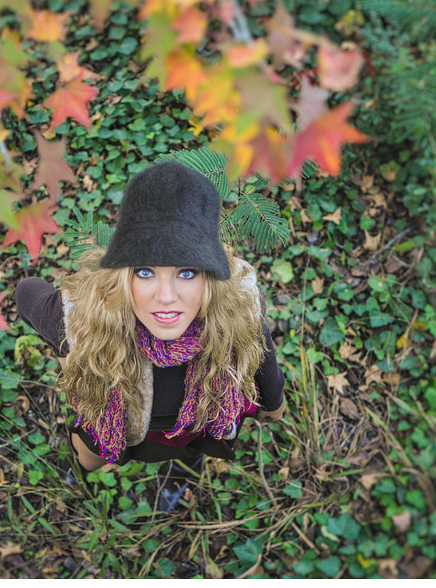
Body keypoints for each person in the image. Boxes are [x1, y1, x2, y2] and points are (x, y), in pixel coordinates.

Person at [14, 161, 286, 509]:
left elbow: (259, 343)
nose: (166, 296)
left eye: (186, 272)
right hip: (120, 423)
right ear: (122, 275)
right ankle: (81, 473)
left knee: (190, 452)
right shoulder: (87, 318)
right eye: (145, 271)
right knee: (91, 457)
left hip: (196, 421)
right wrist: (67, 348)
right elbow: (27, 292)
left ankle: (177, 480)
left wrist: (274, 399)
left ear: (211, 278)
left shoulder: (233, 311)